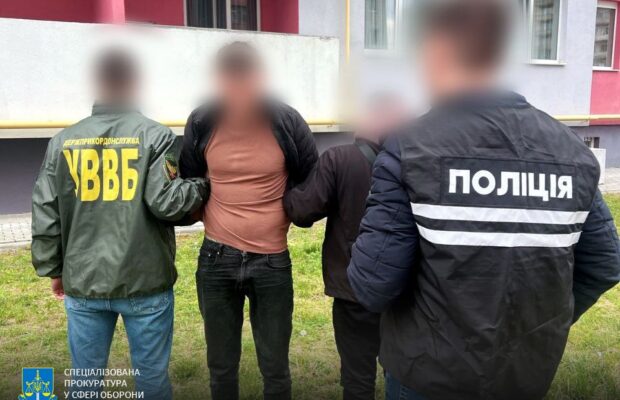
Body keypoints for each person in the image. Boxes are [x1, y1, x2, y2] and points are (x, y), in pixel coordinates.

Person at [347, 1, 620, 399]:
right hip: (524, 377)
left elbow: (372, 285)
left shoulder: (409, 149)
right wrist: (540, 327)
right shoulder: (571, 152)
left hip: (426, 377)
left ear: (437, 49)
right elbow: (604, 264)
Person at [31, 48, 208, 400]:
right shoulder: (155, 136)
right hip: (145, 281)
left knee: (85, 382)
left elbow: (46, 212)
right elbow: (167, 203)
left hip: (83, 281)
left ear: (98, 83)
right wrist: (202, 184)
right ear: (134, 83)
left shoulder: (62, 142)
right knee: (151, 380)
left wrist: (54, 269)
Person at [179, 41, 318, 400]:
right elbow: (189, 179)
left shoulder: (287, 122)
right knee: (221, 367)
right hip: (216, 260)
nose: (240, 92)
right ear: (219, 81)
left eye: (247, 81)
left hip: (272, 262)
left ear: (260, 79)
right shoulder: (202, 121)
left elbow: (312, 179)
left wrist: (290, 212)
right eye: (231, 82)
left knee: (275, 367)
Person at [283, 94, 407, 400]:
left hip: (353, 288)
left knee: (357, 378)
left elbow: (303, 211)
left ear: (372, 120)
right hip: (403, 290)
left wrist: (285, 185)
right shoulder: (415, 161)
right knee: (401, 374)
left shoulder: (339, 159)